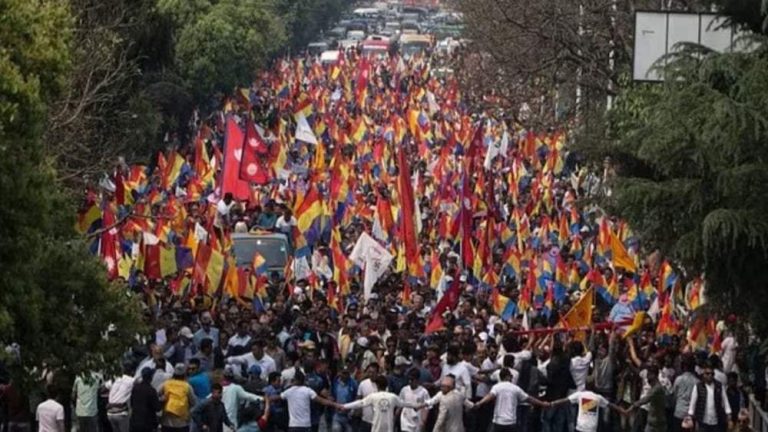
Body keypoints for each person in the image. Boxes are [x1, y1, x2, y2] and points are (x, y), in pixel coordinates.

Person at [472, 368, 549, 432]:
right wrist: (542, 403)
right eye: (511, 376)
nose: (512, 378)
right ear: (507, 377)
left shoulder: (496, 387)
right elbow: (529, 399)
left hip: (498, 422)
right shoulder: (515, 388)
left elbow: (489, 396)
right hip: (511, 422)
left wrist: (479, 403)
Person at [341, 375, 422, 432]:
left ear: (377, 385)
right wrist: (417, 405)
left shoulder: (373, 396)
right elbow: (404, 403)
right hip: (388, 429)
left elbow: (360, 403)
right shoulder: (392, 397)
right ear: (386, 385)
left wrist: (345, 406)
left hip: (376, 428)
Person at [550, 387, 627, 432]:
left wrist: (551, 403)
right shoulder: (598, 397)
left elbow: (564, 400)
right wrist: (623, 411)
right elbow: (611, 405)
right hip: (592, 428)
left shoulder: (580, 394)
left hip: (581, 427)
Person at [686, 365, 732, 432]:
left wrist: (729, 414)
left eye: (712, 374)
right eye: (707, 373)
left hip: (716, 421)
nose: (710, 375)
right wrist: (690, 416)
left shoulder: (719, 386)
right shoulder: (698, 386)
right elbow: (693, 403)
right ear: (703, 374)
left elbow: (725, 401)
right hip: (702, 421)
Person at [160, 363, 197, 432]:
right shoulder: (187, 386)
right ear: (184, 374)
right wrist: (189, 414)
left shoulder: (166, 384)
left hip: (167, 422)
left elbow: (157, 396)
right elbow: (194, 403)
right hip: (182, 423)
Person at [630, 365, 667, 432]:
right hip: (651, 422)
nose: (647, 378)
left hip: (657, 424)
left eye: (648, 375)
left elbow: (646, 399)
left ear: (653, 375)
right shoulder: (654, 387)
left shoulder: (657, 388)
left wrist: (634, 405)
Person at [670, 354, 699, 432]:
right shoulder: (697, 382)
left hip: (679, 413)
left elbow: (674, 396)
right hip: (690, 415)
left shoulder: (678, 379)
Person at [130, 367, 162, 432]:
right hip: (147, 424)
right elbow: (157, 408)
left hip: (135, 422)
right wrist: (162, 400)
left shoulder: (135, 388)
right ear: (151, 377)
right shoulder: (151, 390)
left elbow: (132, 403)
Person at [106, 364, 135, 432]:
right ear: (132, 372)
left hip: (110, 413)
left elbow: (103, 388)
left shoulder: (115, 379)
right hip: (121, 413)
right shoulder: (131, 380)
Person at [331, 367, 358, 432]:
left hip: (348, 416)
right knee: (336, 429)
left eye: (347, 373)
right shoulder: (335, 382)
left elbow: (356, 397)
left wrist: (352, 411)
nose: (345, 375)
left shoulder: (353, 383)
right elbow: (332, 395)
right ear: (340, 373)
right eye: (343, 373)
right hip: (337, 414)